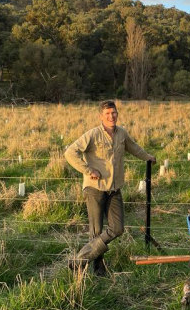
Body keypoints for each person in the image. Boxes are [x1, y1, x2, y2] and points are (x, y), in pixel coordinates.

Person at [64, 100, 155, 275]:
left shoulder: (121, 133)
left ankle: (79, 260)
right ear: (101, 116)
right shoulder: (93, 134)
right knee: (96, 230)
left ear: (117, 114)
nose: (111, 116)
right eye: (107, 114)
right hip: (95, 188)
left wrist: (148, 157)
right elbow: (70, 152)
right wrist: (87, 169)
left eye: (113, 113)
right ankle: (98, 270)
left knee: (117, 228)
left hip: (114, 189)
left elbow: (134, 147)